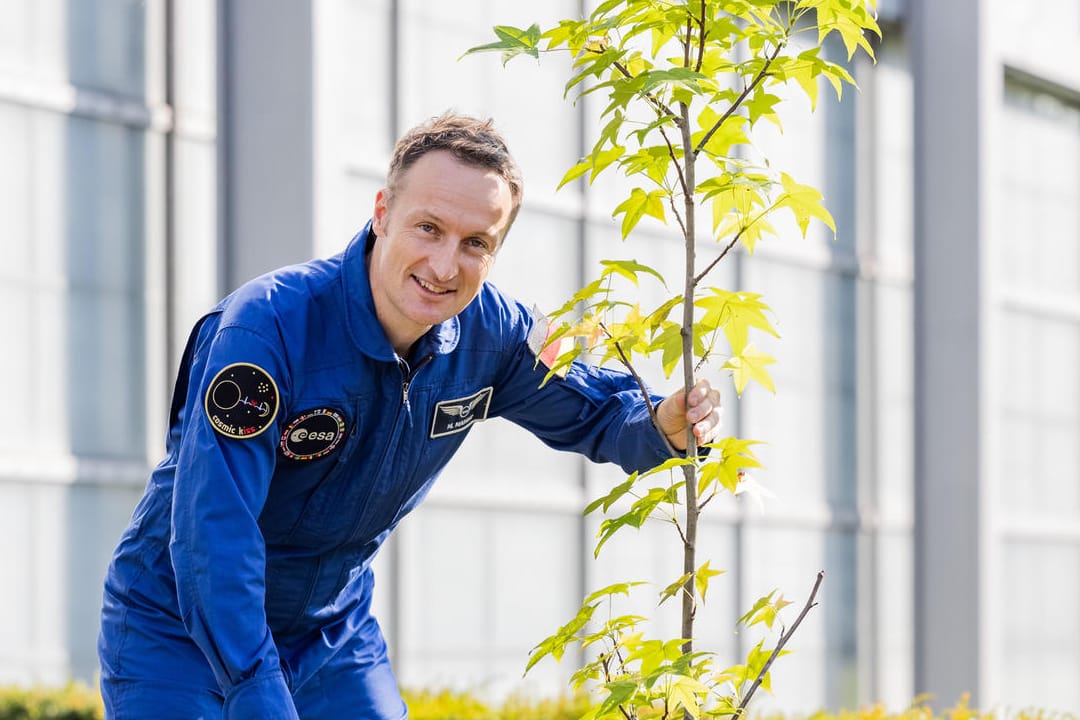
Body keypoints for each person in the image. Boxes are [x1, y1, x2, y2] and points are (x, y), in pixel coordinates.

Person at [97, 112, 722, 720]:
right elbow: (214, 533)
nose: (446, 265)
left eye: (476, 242)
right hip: (181, 626)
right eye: (429, 228)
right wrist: (258, 692)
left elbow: (600, 410)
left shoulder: (498, 333)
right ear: (382, 214)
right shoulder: (267, 329)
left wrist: (661, 426)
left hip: (329, 632)